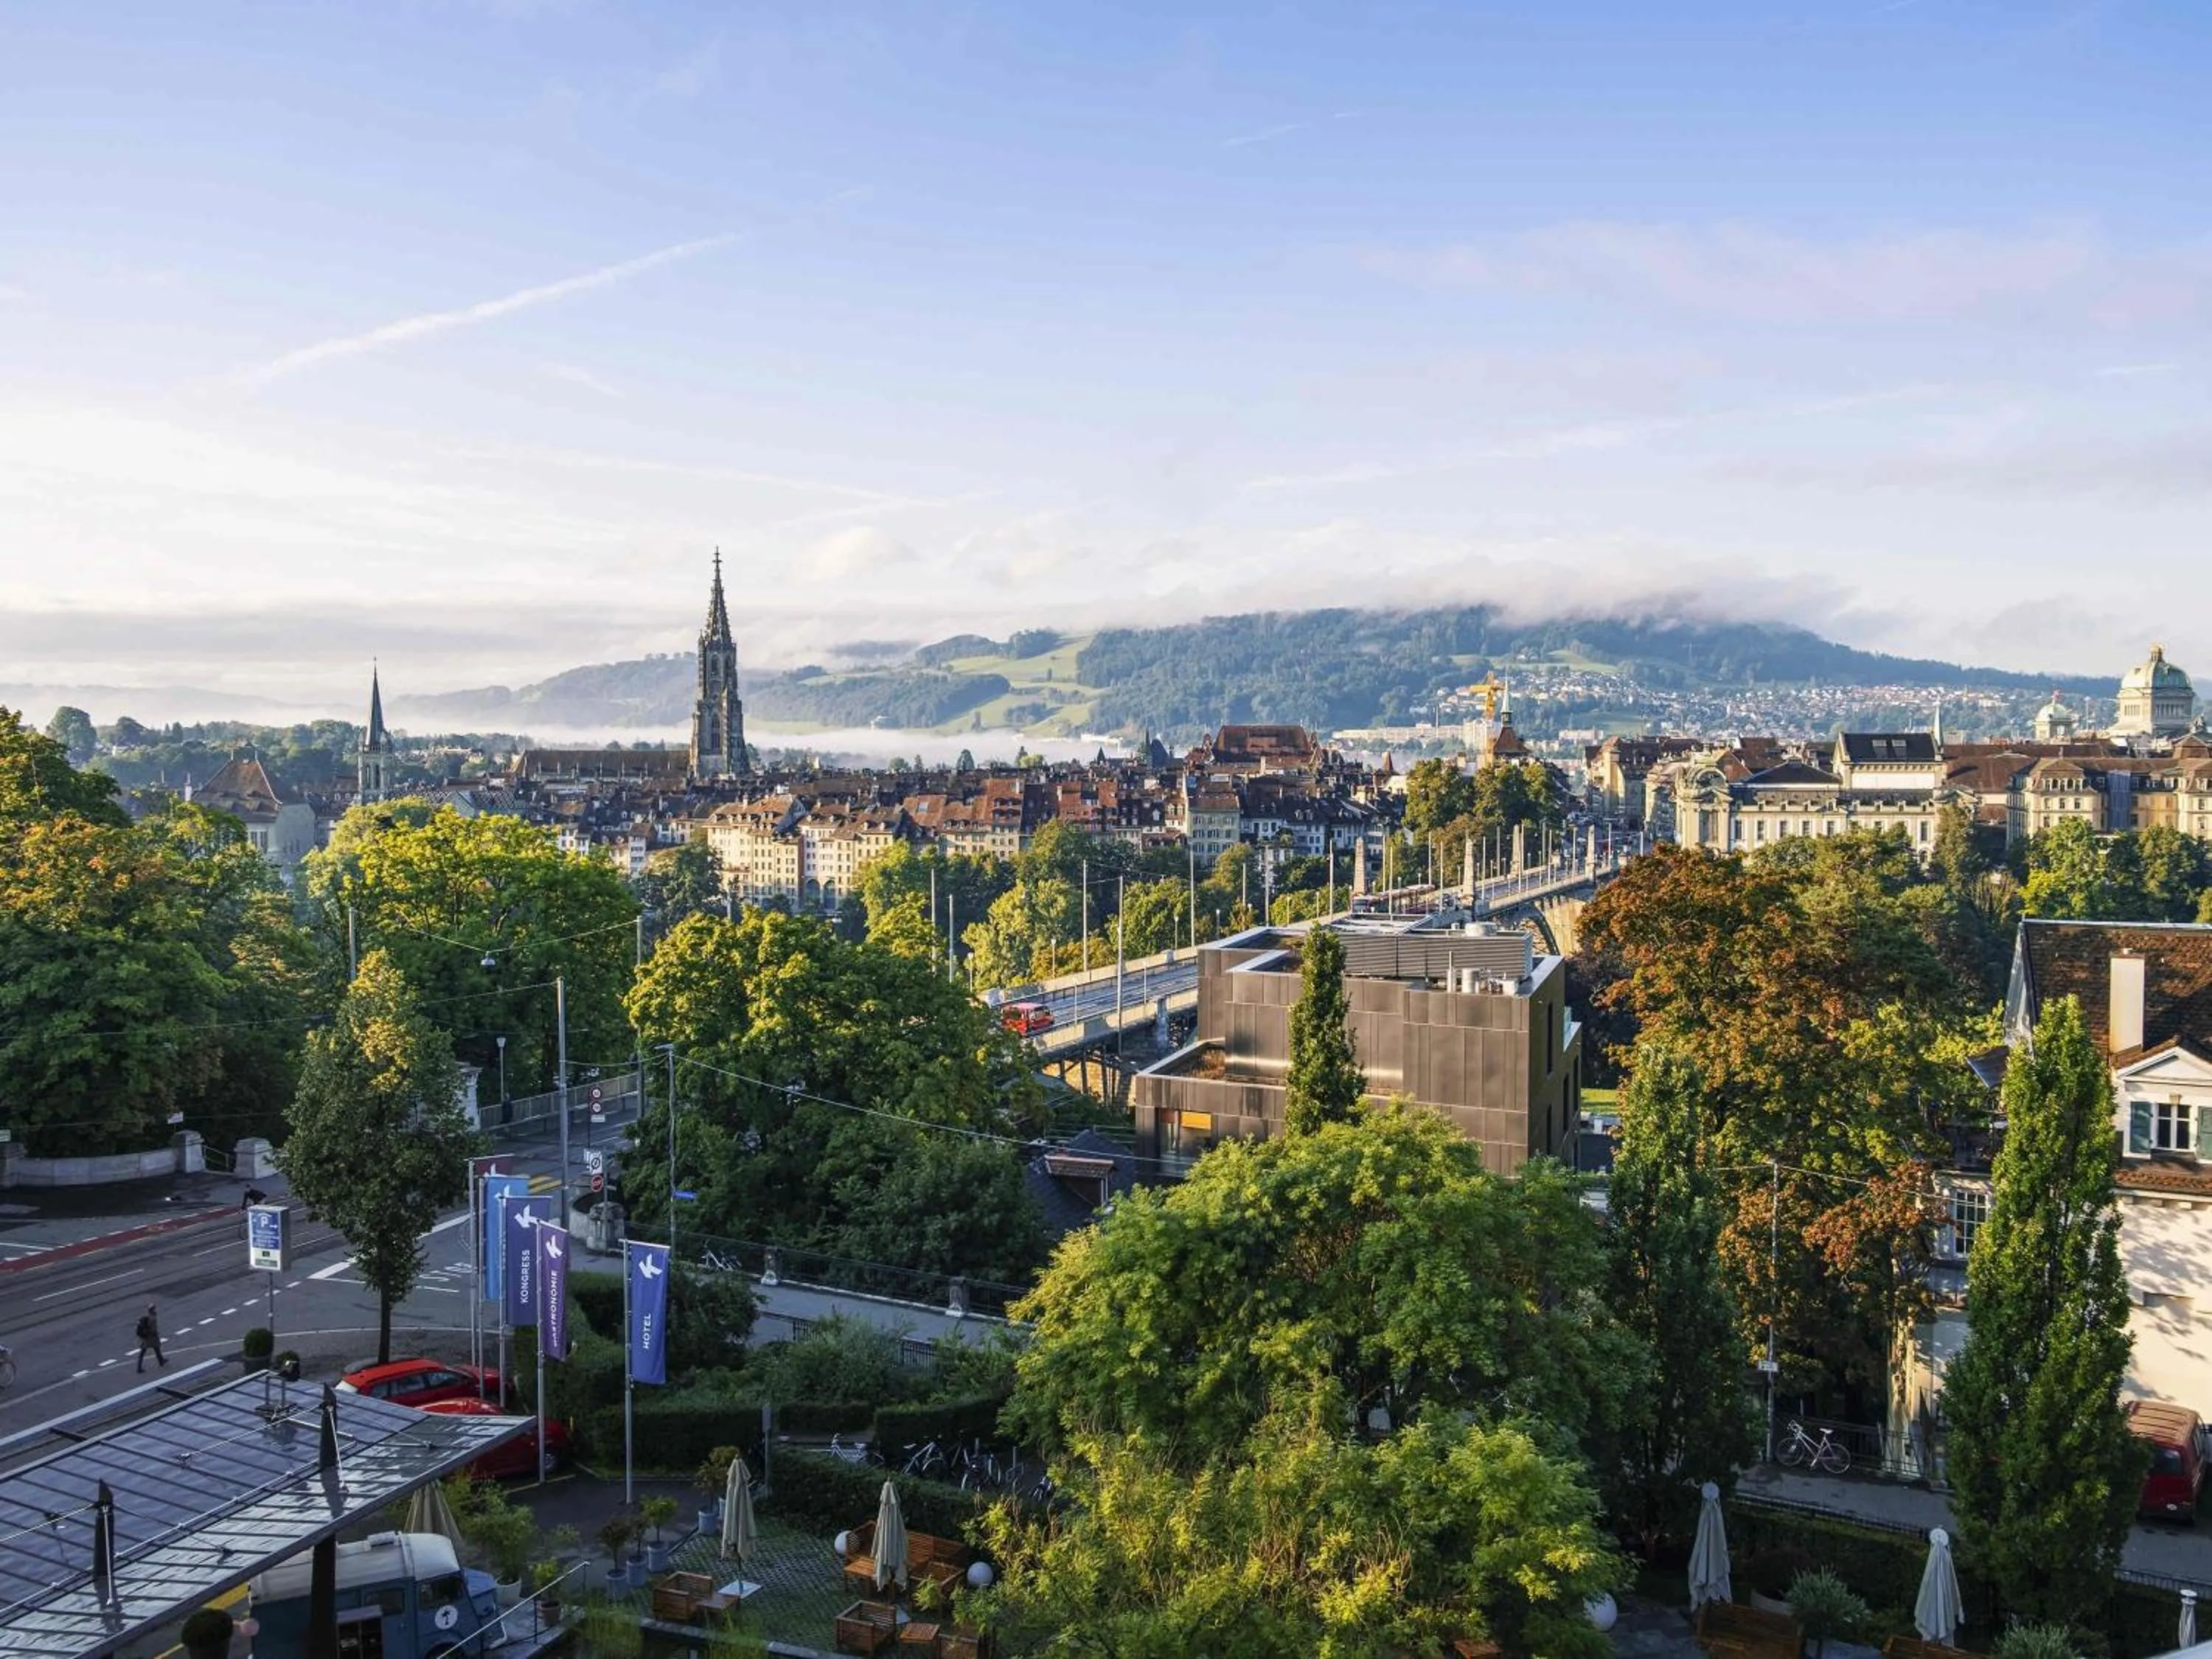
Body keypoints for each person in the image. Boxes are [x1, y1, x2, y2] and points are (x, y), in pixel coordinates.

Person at [136, 1304, 166, 1372]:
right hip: (150, 1338)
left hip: (145, 1337)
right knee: (156, 1348)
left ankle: (161, 1361)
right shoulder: (153, 1319)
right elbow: (153, 1330)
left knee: (148, 1351)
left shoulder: (148, 1318)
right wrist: (156, 1334)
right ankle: (139, 1368)